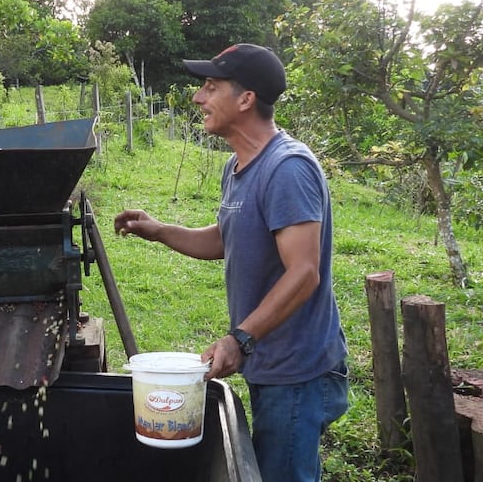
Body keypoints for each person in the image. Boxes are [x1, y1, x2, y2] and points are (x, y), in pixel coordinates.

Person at [113, 43, 348, 481]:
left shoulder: (287, 168)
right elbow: (226, 238)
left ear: (246, 99)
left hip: (297, 369)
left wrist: (240, 339)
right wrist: (160, 229)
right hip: (271, 359)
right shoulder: (239, 167)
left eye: (210, 87)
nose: (198, 98)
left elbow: (304, 272)